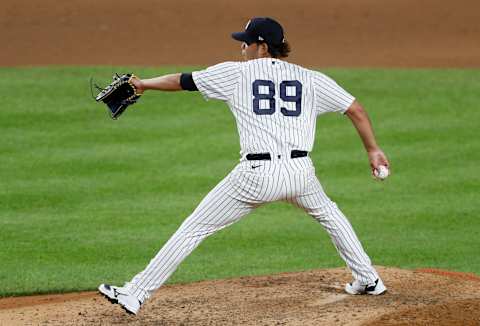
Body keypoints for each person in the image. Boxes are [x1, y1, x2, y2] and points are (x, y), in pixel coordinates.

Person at [99, 17, 390, 315]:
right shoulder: (311, 78)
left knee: (194, 228)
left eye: (246, 42)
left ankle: (135, 293)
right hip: (301, 172)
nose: (242, 47)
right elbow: (355, 109)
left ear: (262, 46)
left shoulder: (236, 74)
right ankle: (368, 279)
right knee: (329, 213)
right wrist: (373, 150)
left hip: (256, 177)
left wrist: (143, 84)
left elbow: (182, 81)